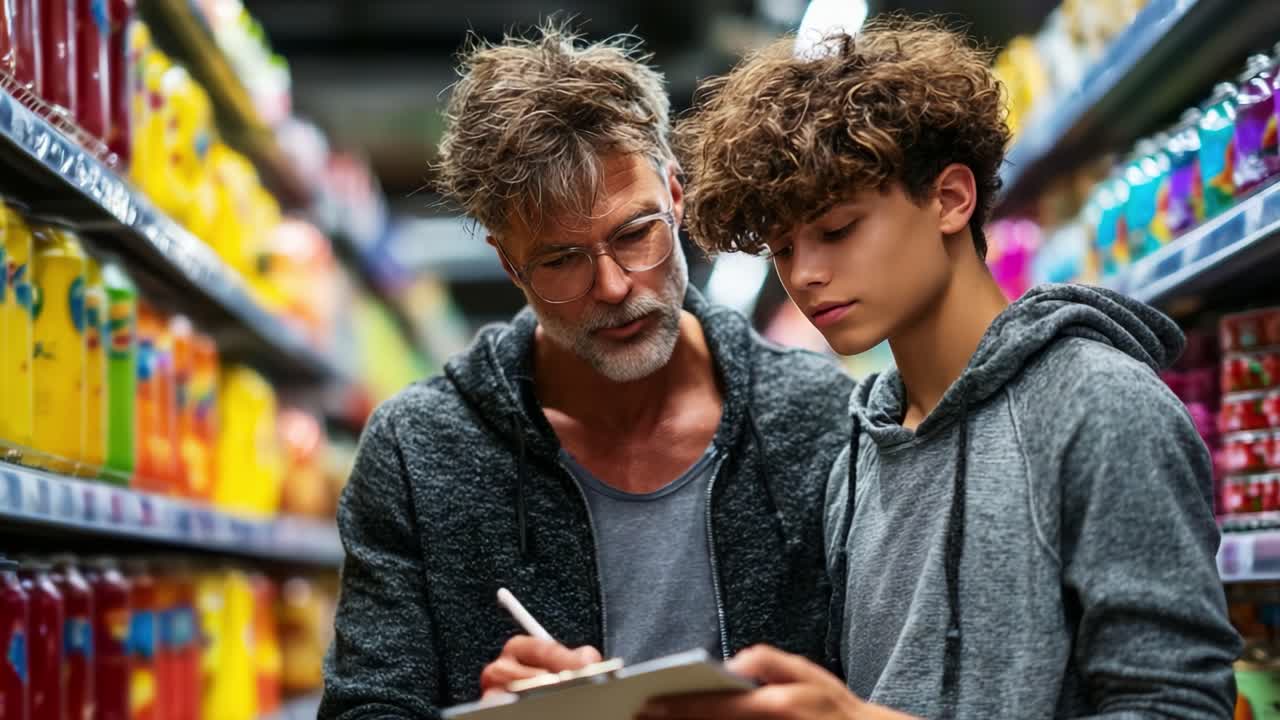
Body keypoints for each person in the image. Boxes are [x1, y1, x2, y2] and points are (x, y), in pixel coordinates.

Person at [641, 16, 1243, 720]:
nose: (805, 275)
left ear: (950, 199)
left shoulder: (1098, 407)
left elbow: (1179, 706)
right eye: (782, 249)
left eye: (837, 230)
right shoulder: (862, 454)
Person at [317, 22, 855, 720]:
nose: (613, 286)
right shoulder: (418, 451)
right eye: (561, 260)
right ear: (511, 266)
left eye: (636, 233)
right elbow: (366, 706)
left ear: (677, 195)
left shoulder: (819, 421)